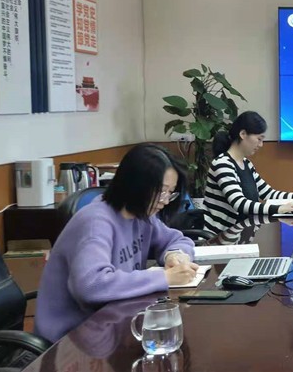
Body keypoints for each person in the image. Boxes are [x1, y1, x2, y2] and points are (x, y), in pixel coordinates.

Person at [35, 144, 199, 343]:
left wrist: (175, 254)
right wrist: (164, 277)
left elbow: (177, 239)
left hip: (112, 323)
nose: (165, 201)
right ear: (136, 184)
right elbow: (91, 285)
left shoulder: (141, 215)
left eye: (170, 193)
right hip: (71, 340)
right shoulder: (95, 222)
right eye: (161, 191)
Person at [203, 111, 293, 243]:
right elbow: (240, 204)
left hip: (241, 235)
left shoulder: (246, 164)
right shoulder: (222, 163)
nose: (261, 145)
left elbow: (269, 194)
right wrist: (280, 209)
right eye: (259, 139)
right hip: (221, 240)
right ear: (243, 134)